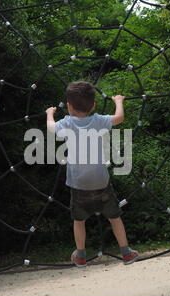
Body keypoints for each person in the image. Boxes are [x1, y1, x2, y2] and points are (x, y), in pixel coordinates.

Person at [46, 81, 139, 267]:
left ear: (69, 106)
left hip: (78, 184)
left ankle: (80, 255)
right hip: (101, 182)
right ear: (93, 105)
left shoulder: (67, 123)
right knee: (114, 217)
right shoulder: (98, 120)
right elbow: (119, 117)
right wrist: (118, 101)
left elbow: (51, 128)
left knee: (79, 220)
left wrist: (49, 114)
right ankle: (126, 252)